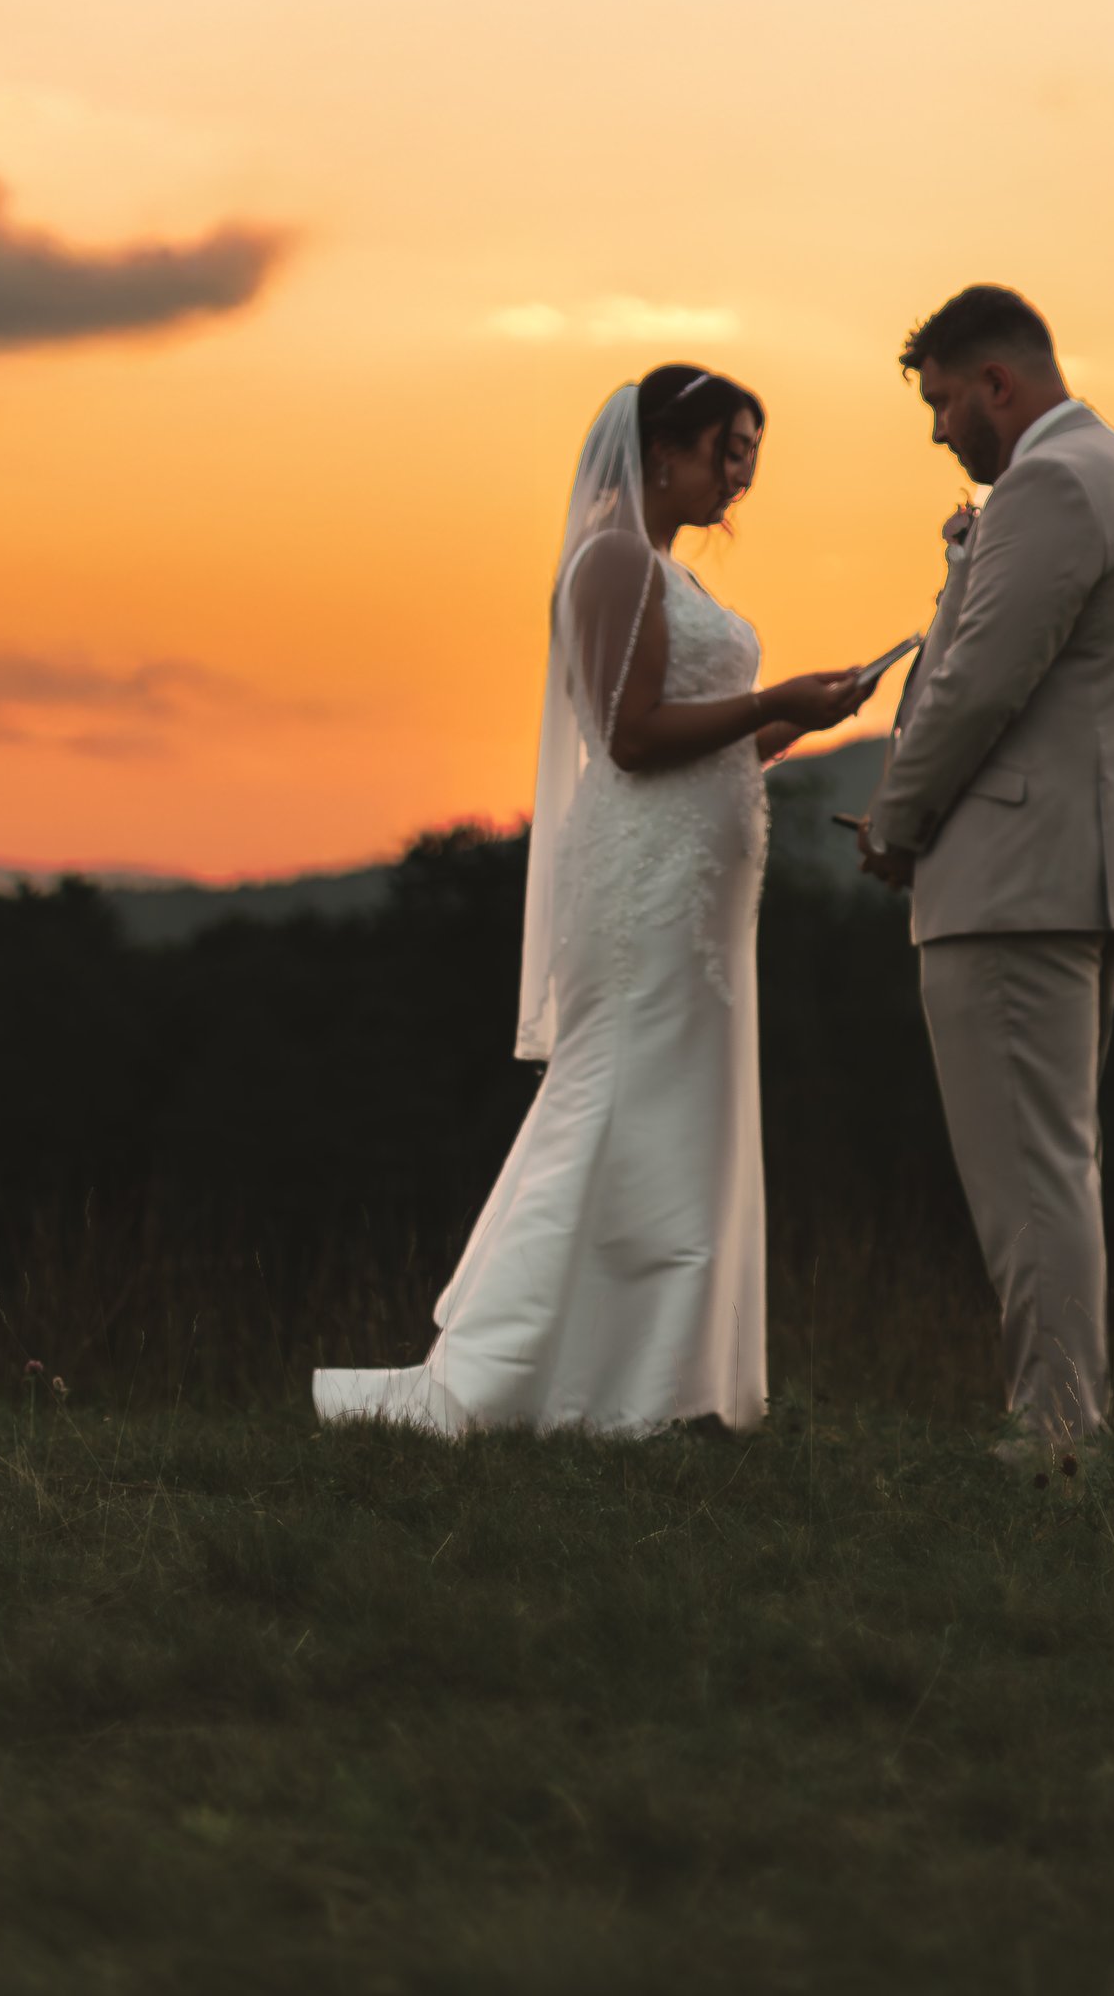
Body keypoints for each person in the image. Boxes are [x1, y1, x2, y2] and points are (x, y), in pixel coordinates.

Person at [315, 365, 869, 1437]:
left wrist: (803, 719)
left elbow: (709, 750)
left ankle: (663, 1382)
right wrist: (772, 694)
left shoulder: (666, 568)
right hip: (646, 887)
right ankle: (508, 1370)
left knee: (679, 1118)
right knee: (613, 1095)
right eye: (729, 448)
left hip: (698, 886)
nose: (741, 475)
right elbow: (630, 737)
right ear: (663, 447)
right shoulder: (614, 560)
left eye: (751, 453)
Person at [858, 286, 1114, 1475]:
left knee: (1029, 1175)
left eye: (944, 402)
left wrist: (895, 825)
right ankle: (1065, 1427)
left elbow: (973, 688)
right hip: (1083, 873)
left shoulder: (1052, 486)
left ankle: (1056, 1442)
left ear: (997, 382)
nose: (940, 431)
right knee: (1055, 1161)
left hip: (1015, 881)